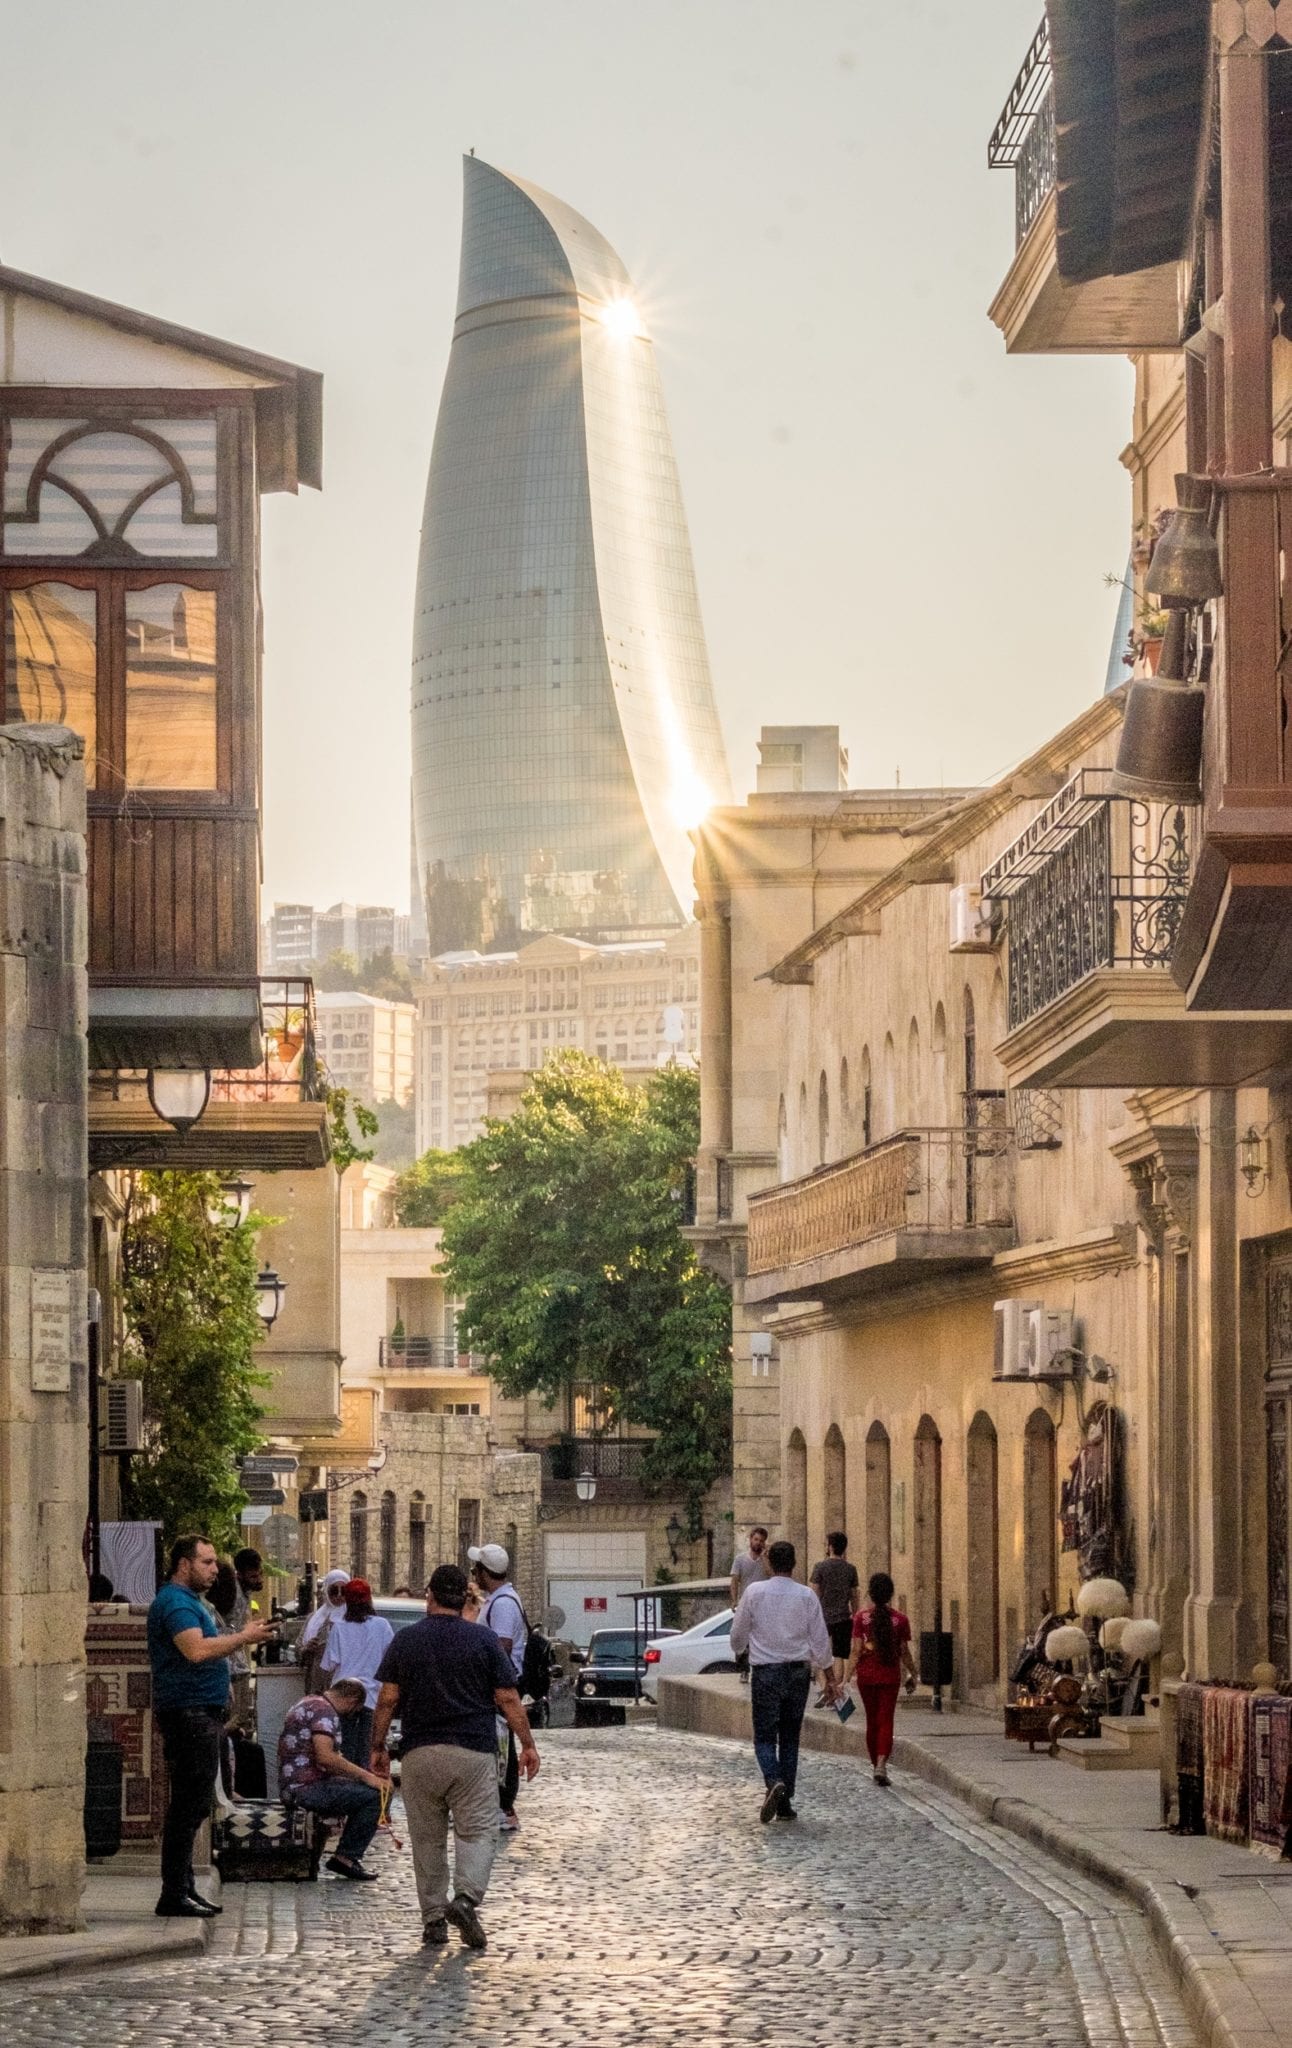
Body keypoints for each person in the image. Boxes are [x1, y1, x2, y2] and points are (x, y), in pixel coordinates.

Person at [371, 1562, 540, 1952]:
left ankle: (433, 1920)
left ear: (429, 1595)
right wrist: (527, 1743)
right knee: (478, 1831)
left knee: (426, 1840)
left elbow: (387, 1699)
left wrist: (378, 1747)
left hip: (419, 1752)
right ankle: (465, 1900)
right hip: (472, 1752)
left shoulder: (406, 1640)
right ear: (464, 1597)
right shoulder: (482, 1640)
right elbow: (508, 1698)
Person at [146, 1533, 274, 1917]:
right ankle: (173, 1893)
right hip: (188, 1713)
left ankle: (183, 1888)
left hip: (200, 1713)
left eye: (215, 1562)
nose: (215, 1570)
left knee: (196, 1803)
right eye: (207, 1562)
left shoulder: (192, 1602)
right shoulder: (174, 1602)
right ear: (184, 1564)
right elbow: (196, 1649)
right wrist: (244, 1637)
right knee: (189, 1805)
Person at [729, 1538, 840, 1823]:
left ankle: (774, 1780)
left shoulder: (754, 1592)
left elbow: (737, 1635)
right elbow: (819, 1640)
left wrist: (741, 1649)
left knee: (765, 1737)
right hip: (798, 1673)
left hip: (766, 1672)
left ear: (769, 1562)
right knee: (790, 1738)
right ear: (793, 1564)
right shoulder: (805, 1596)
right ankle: (784, 1802)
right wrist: (830, 1678)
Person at [278, 1677, 386, 1880]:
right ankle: (346, 1857)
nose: (349, 1716)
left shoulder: (309, 1702)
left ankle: (341, 1855)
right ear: (352, 1700)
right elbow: (326, 1757)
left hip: (294, 1785)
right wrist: (366, 1776)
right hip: (305, 1788)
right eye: (353, 1711)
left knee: (356, 1789)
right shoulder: (324, 1712)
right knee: (375, 1796)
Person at [468, 1543, 527, 1833]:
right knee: (497, 1746)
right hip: (493, 1684)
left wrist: (488, 1682)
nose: (473, 1573)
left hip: (497, 1685)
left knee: (503, 1748)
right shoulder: (497, 1599)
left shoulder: (503, 1604)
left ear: (484, 1572)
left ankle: (504, 1807)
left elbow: (501, 1647)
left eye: (476, 1568)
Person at [846, 1571, 918, 1786]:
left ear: (870, 1593)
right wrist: (914, 1673)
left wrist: (845, 1677)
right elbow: (904, 1651)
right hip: (889, 1676)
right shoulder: (900, 1620)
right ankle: (881, 1763)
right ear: (890, 1594)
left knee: (871, 1721)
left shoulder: (861, 1618)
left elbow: (856, 1651)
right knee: (886, 1720)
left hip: (866, 1677)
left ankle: (875, 1762)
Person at [321, 1579, 394, 1766]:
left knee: (344, 1754)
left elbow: (329, 1665)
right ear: (369, 1599)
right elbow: (391, 1661)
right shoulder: (382, 1626)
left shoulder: (339, 1628)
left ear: (347, 1601)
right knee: (367, 1754)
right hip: (372, 1699)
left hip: (343, 1700)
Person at [809, 1531, 860, 1705]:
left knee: (819, 1654)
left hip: (822, 1617)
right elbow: (854, 1595)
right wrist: (856, 1613)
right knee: (839, 1655)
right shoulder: (850, 1569)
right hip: (843, 1617)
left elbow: (814, 1593)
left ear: (830, 1547)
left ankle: (825, 1688)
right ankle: (836, 1689)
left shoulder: (820, 1567)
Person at [729, 1528, 771, 1684]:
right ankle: (743, 1670)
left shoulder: (766, 1559)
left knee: (761, 1639)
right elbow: (734, 1581)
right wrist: (734, 1600)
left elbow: (771, 1575)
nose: (758, 1543)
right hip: (746, 1604)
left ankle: (760, 1669)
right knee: (743, 1639)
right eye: (756, 1539)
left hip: (763, 1606)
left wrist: (765, 1557)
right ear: (750, 1539)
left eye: (761, 1541)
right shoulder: (740, 1559)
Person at [298, 1568, 350, 1692]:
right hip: (317, 1681)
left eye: (343, 1591)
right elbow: (298, 1647)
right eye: (333, 1591)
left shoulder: (352, 1619)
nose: (338, 1596)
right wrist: (306, 1649)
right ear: (326, 1591)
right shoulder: (314, 1619)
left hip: (344, 1683)